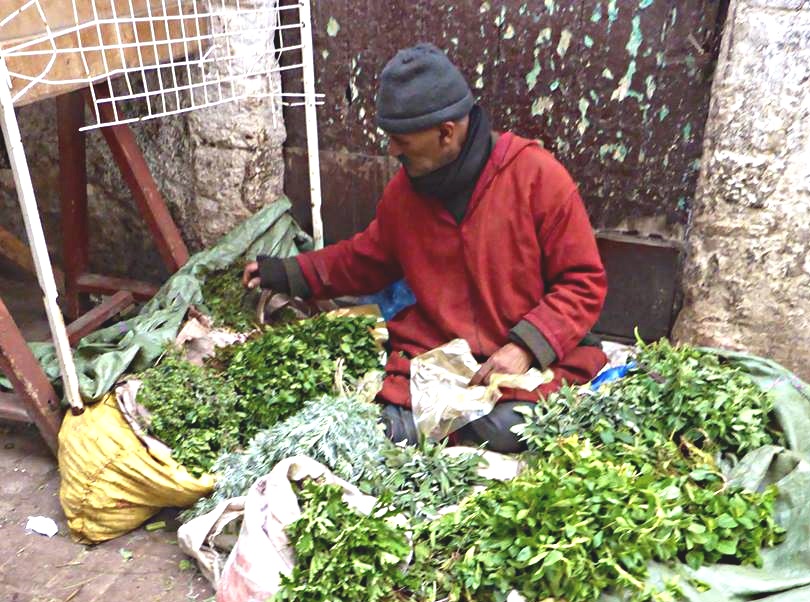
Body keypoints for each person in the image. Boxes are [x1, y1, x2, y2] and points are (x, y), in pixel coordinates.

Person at [245, 43, 607, 452]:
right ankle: (442, 430)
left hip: (526, 361)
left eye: (400, 140)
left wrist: (524, 347)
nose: (392, 151)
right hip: (443, 356)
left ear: (446, 132)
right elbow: (366, 259)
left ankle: (452, 430)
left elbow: (582, 282)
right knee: (386, 428)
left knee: (514, 424)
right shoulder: (406, 194)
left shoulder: (537, 177)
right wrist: (291, 273)